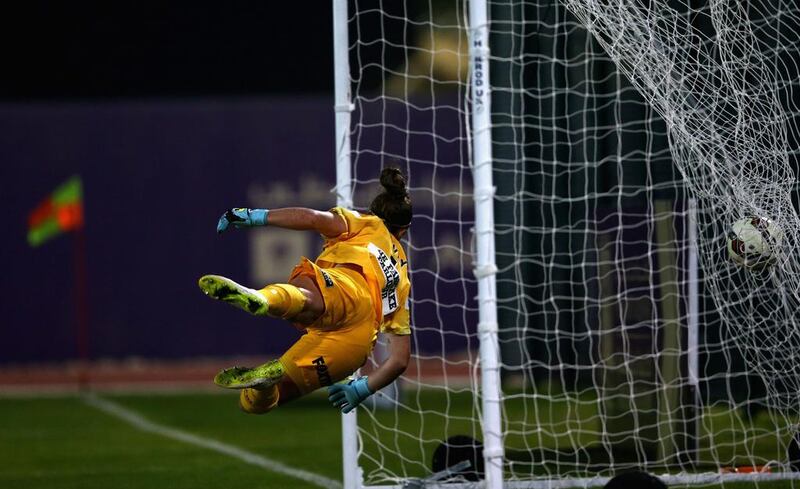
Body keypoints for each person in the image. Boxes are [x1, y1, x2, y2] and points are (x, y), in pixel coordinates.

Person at [198, 167, 412, 414]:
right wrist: (362, 389)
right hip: (356, 341)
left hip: (347, 287)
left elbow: (313, 219)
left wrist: (255, 216)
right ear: (403, 231)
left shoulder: (368, 223)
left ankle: (262, 298)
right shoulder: (402, 278)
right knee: (260, 401)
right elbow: (399, 360)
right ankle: (266, 383)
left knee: (308, 294)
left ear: (374, 212)